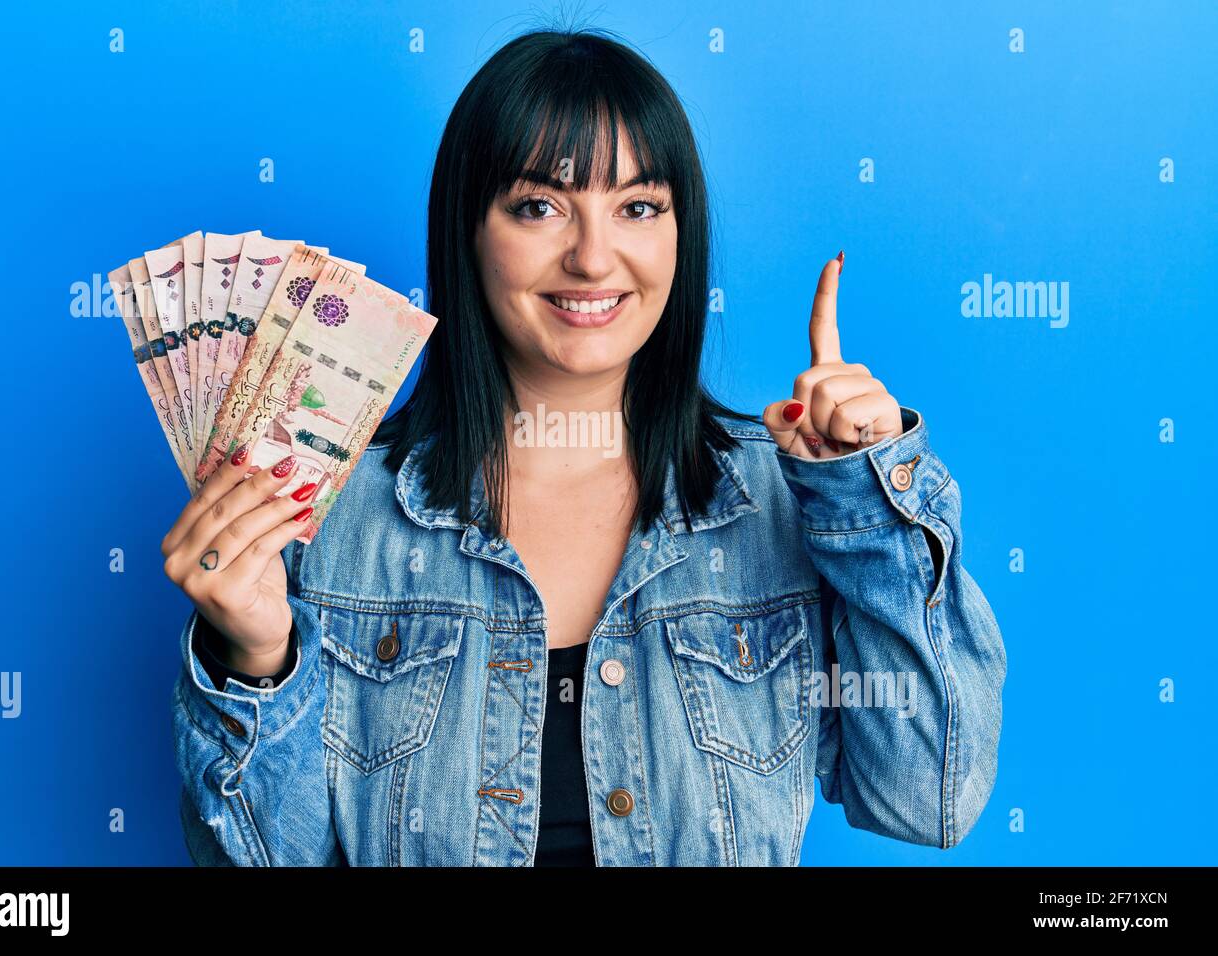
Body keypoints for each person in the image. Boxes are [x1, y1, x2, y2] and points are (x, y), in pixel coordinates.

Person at [162, 27, 1006, 866]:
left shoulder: (789, 500)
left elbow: (929, 795)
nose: (594, 257)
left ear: (682, 234)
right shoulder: (331, 517)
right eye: (538, 206)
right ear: (469, 231)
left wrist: (865, 500)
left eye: (638, 207)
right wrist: (256, 657)